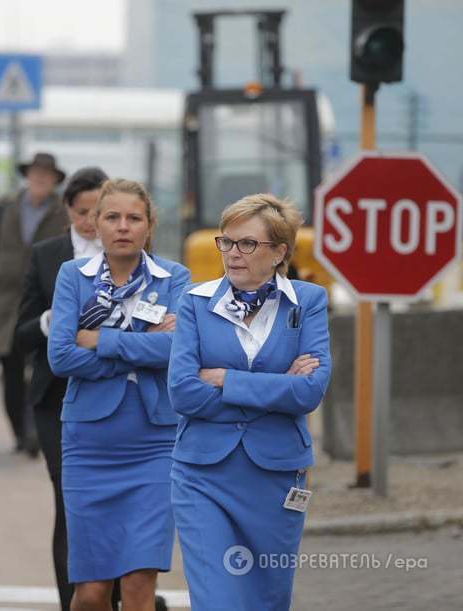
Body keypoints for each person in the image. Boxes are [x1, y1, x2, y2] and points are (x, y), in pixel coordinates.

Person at [168, 193, 331, 610]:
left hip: (276, 476)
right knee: (219, 601)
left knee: (266, 601)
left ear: (279, 252)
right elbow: (183, 392)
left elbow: (309, 393)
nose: (232, 253)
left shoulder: (308, 302)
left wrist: (227, 380)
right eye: (228, 241)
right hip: (203, 473)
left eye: (247, 244)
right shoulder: (194, 302)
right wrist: (278, 389)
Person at [47, 179, 190, 611]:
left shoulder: (174, 277)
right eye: (112, 217)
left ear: (149, 225)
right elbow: (61, 357)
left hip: (155, 445)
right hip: (90, 445)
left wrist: (100, 340)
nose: (123, 226)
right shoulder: (74, 275)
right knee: (91, 593)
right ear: (95, 223)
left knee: (138, 584)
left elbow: (177, 351)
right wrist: (142, 343)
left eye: (134, 218)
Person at [15, 166, 108, 610]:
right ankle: (72, 600)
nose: (92, 221)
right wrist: (53, 320)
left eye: (101, 211)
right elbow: (20, 333)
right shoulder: (48, 255)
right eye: (83, 211)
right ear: (67, 209)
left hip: (115, 395)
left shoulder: (131, 253)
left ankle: (107, 596)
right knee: (71, 499)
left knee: (110, 502)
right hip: (56, 398)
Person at [0, 152, 68, 455]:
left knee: (41, 367)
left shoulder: (63, 212)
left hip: (46, 301)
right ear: (27, 175)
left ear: (54, 179)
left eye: (46, 174)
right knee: (11, 369)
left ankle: (36, 431)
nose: (40, 178)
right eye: (35, 172)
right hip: (7, 302)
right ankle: (20, 431)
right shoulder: (4, 208)